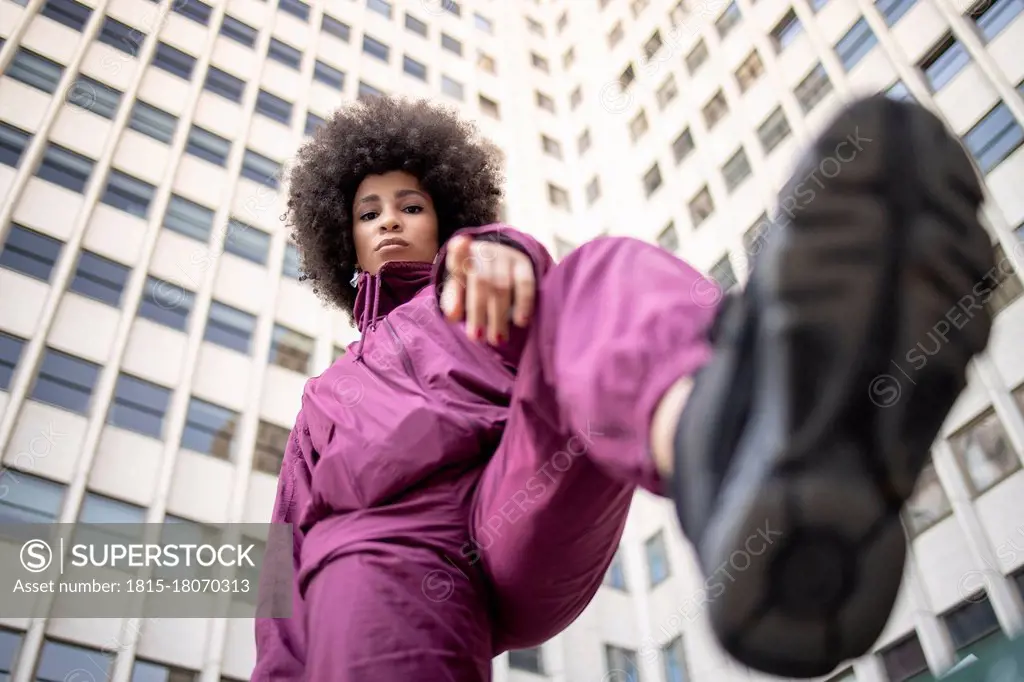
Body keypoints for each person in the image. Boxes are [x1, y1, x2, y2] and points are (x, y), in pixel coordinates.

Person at [251, 93, 995, 681]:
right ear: (341, 239)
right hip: (392, 559)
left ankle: (729, 435)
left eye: (411, 205)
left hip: (518, 498)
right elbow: (280, 591)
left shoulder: (473, 278)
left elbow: (550, 312)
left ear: (445, 211)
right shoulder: (322, 397)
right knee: (356, 571)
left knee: (596, 272)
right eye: (369, 212)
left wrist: (500, 258)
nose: (390, 222)